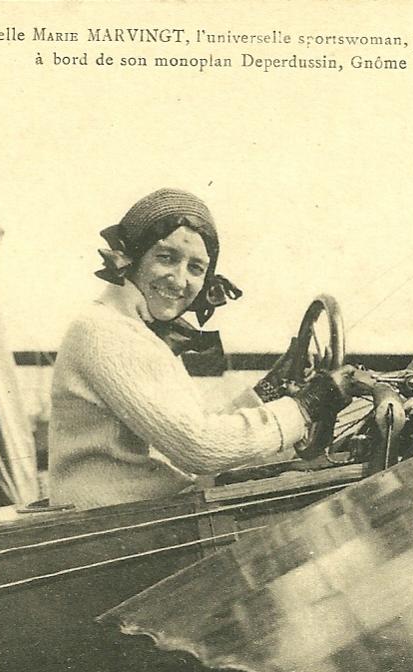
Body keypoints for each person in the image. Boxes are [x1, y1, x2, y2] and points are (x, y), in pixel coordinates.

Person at [48, 188, 370, 509]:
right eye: (166, 257)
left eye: (196, 268)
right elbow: (199, 447)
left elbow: (191, 426)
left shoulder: (129, 327)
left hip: (134, 514)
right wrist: (306, 406)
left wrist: (270, 391)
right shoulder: (108, 332)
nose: (179, 280)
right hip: (115, 527)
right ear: (132, 259)